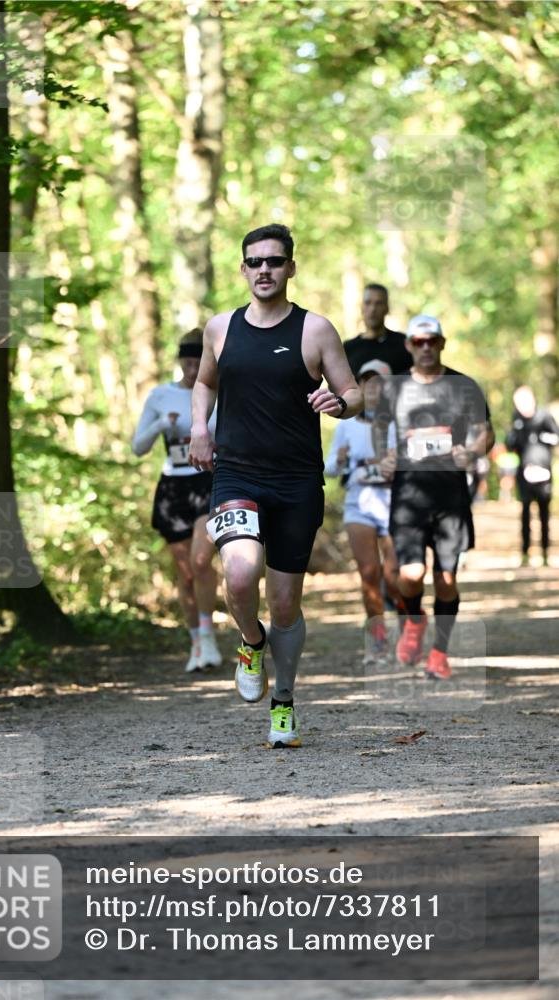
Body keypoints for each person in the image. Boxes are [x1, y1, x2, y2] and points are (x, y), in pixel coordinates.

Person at [189, 223, 362, 748]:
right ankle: (249, 641)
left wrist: (339, 403)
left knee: (285, 603)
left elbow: (353, 392)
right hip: (236, 472)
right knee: (240, 576)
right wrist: (200, 427)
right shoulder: (220, 329)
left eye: (274, 261)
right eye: (255, 261)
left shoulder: (315, 330)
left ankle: (283, 703)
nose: (264, 269)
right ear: (243, 269)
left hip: (297, 481)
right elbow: (204, 382)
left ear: (290, 267)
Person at [375, 314, 492, 680]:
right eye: (418, 342)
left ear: (442, 343)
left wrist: (471, 452)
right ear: (409, 345)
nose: (425, 347)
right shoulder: (393, 388)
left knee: (446, 580)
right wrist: (384, 457)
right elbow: (379, 426)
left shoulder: (463, 385)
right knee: (409, 575)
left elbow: (486, 432)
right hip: (408, 494)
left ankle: (439, 653)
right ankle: (414, 619)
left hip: (450, 497)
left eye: (432, 341)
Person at [132, 331, 222, 673]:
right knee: (185, 574)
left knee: (201, 561)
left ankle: (210, 635)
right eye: (186, 359)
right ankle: (197, 642)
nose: (191, 366)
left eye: (198, 359)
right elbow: (138, 447)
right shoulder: (160, 396)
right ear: (178, 360)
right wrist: (159, 424)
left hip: (208, 481)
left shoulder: (219, 391)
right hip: (172, 488)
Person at [325, 359, 402, 665]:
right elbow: (329, 468)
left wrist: (399, 465)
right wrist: (341, 460)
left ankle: (410, 626)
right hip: (359, 504)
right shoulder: (346, 424)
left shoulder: (398, 424)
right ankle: (379, 643)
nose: (373, 389)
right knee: (369, 576)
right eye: (367, 382)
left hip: (393, 505)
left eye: (379, 383)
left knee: (395, 577)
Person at [506, 385, 559, 567]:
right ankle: (525, 552)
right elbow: (511, 444)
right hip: (524, 473)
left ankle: (545, 552)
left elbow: (556, 437)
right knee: (525, 513)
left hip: (544, 472)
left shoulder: (544, 416)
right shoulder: (517, 419)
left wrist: (542, 438)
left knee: (544, 514)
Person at [343, 283, 412, 377]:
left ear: (387, 308)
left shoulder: (403, 344)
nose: (373, 309)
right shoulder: (349, 348)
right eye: (368, 303)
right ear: (361, 307)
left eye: (379, 303)